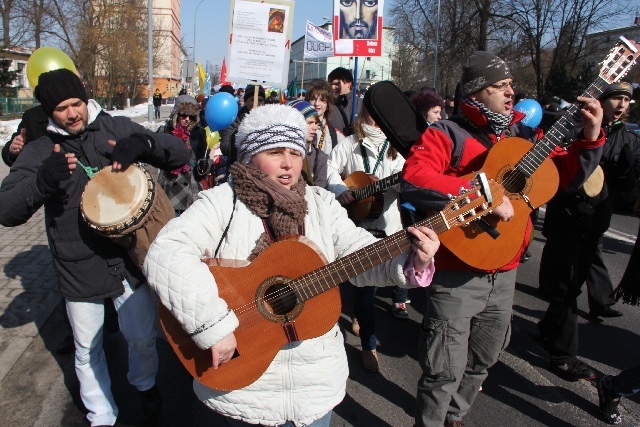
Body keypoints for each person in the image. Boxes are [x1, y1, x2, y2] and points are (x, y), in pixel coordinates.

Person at [143, 104, 439, 427]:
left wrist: (410, 260)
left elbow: (360, 254)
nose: (288, 164)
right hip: (245, 389)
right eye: (274, 152)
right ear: (250, 156)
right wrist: (212, 326)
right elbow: (166, 252)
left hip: (315, 389)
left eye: (295, 153)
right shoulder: (222, 203)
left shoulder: (321, 205)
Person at [400, 51, 605, 427]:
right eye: (500, 86)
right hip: (457, 270)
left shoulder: (525, 136)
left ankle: (455, 416)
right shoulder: (447, 132)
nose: (510, 92)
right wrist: (483, 195)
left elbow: (563, 178)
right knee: (443, 365)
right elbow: (414, 179)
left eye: (510, 84)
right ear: (477, 93)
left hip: (506, 269)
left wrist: (590, 139)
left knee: (485, 357)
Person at [0, 69, 190, 427]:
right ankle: (101, 414)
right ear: (49, 111)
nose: (72, 113)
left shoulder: (114, 129)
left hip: (129, 260)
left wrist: (148, 145)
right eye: (61, 108)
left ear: (84, 98)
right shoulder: (43, 150)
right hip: (78, 265)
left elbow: (180, 153)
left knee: (142, 338)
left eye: (76, 104)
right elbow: (6, 209)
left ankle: (145, 385)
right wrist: (41, 183)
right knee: (87, 350)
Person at [538, 82, 638, 383]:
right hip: (566, 218)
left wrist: (626, 171)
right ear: (600, 101)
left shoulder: (628, 140)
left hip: (594, 224)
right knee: (566, 289)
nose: (621, 104)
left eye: (626, 100)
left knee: (572, 285)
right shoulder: (572, 127)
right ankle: (563, 357)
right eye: (615, 98)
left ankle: (547, 329)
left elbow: (626, 189)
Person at [327, 105, 407, 371]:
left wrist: (399, 183)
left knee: (377, 284)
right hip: (357, 225)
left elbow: (411, 184)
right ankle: (368, 346)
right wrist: (341, 189)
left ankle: (363, 321)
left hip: (388, 225)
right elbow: (329, 167)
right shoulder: (350, 144)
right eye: (373, 112)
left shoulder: (399, 148)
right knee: (364, 292)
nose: (378, 118)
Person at [157, 96, 208, 216]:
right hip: (169, 183)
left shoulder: (199, 133)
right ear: (176, 114)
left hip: (192, 184)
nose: (186, 119)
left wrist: (204, 166)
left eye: (191, 116)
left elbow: (202, 156)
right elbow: (154, 154)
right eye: (183, 115)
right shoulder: (164, 131)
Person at [220, 84, 265, 168]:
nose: (258, 103)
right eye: (253, 99)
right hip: (239, 168)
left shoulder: (269, 120)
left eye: (260, 100)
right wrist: (243, 132)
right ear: (246, 101)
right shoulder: (233, 118)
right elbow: (225, 148)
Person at [286, 99, 329, 188]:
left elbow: (319, 192)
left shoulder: (319, 157)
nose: (315, 127)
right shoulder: (279, 152)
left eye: (316, 123)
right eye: (309, 123)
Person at [306, 79, 346, 155]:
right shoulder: (299, 129)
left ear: (328, 104)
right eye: (313, 99)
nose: (317, 104)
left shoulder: (336, 135)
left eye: (322, 100)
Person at [328, 67, 362, 137]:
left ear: (349, 83)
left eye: (336, 84)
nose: (332, 87)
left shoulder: (361, 104)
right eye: (330, 84)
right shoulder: (328, 104)